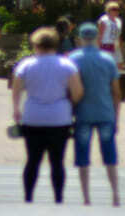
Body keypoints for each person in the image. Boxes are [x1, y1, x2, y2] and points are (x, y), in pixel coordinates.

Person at [12, 26, 83, 204]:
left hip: (33, 117)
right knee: (57, 161)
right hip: (59, 118)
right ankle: (58, 197)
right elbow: (77, 92)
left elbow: (16, 89)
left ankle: (28, 196)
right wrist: (71, 103)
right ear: (55, 44)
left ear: (35, 44)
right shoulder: (67, 65)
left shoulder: (26, 64)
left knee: (32, 160)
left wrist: (16, 109)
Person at [69, 22, 122, 206]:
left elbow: (70, 89)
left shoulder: (73, 59)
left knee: (83, 157)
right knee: (110, 155)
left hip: (83, 114)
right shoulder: (108, 59)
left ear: (81, 39)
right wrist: (117, 116)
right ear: (98, 38)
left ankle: (86, 197)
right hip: (106, 112)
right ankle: (115, 194)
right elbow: (116, 92)